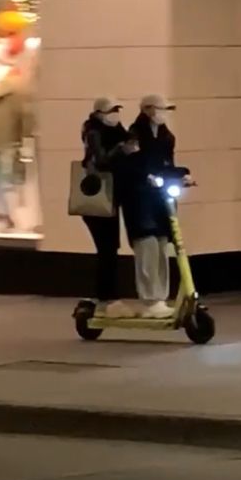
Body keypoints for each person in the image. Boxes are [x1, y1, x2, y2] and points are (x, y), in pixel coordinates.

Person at [121, 94, 189, 319]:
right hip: (139, 200)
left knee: (162, 245)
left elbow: (168, 164)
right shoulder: (134, 133)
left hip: (159, 200)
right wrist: (146, 176)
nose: (164, 114)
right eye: (161, 109)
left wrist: (182, 175)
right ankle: (149, 298)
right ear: (148, 110)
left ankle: (161, 297)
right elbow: (131, 165)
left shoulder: (167, 136)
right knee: (147, 247)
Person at [81, 96, 136, 316]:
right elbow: (101, 161)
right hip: (99, 198)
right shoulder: (94, 132)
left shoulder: (116, 131)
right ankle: (106, 297)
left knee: (110, 248)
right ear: (100, 114)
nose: (116, 115)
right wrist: (121, 150)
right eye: (111, 111)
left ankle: (108, 295)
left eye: (117, 110)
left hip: (111, 196)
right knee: (106, 248)